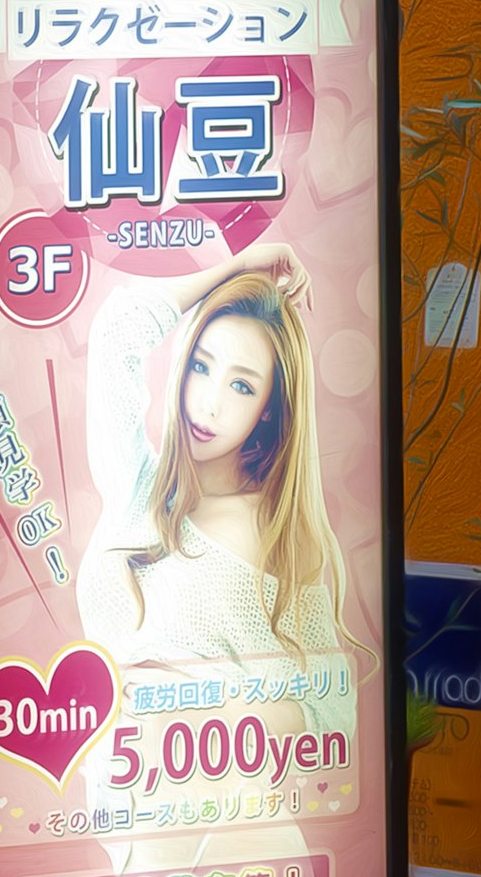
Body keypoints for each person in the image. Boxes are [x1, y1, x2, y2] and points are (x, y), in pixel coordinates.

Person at [77, 239, 354, 675]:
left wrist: (180, 702)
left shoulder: (278, 530)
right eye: (201, 367)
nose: (208, 405)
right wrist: (237, 266)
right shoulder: (136, 484)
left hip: (193, 742)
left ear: (268, 407)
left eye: (241, 386)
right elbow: (118, 327)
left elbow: (325, 706)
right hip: (102, 742)